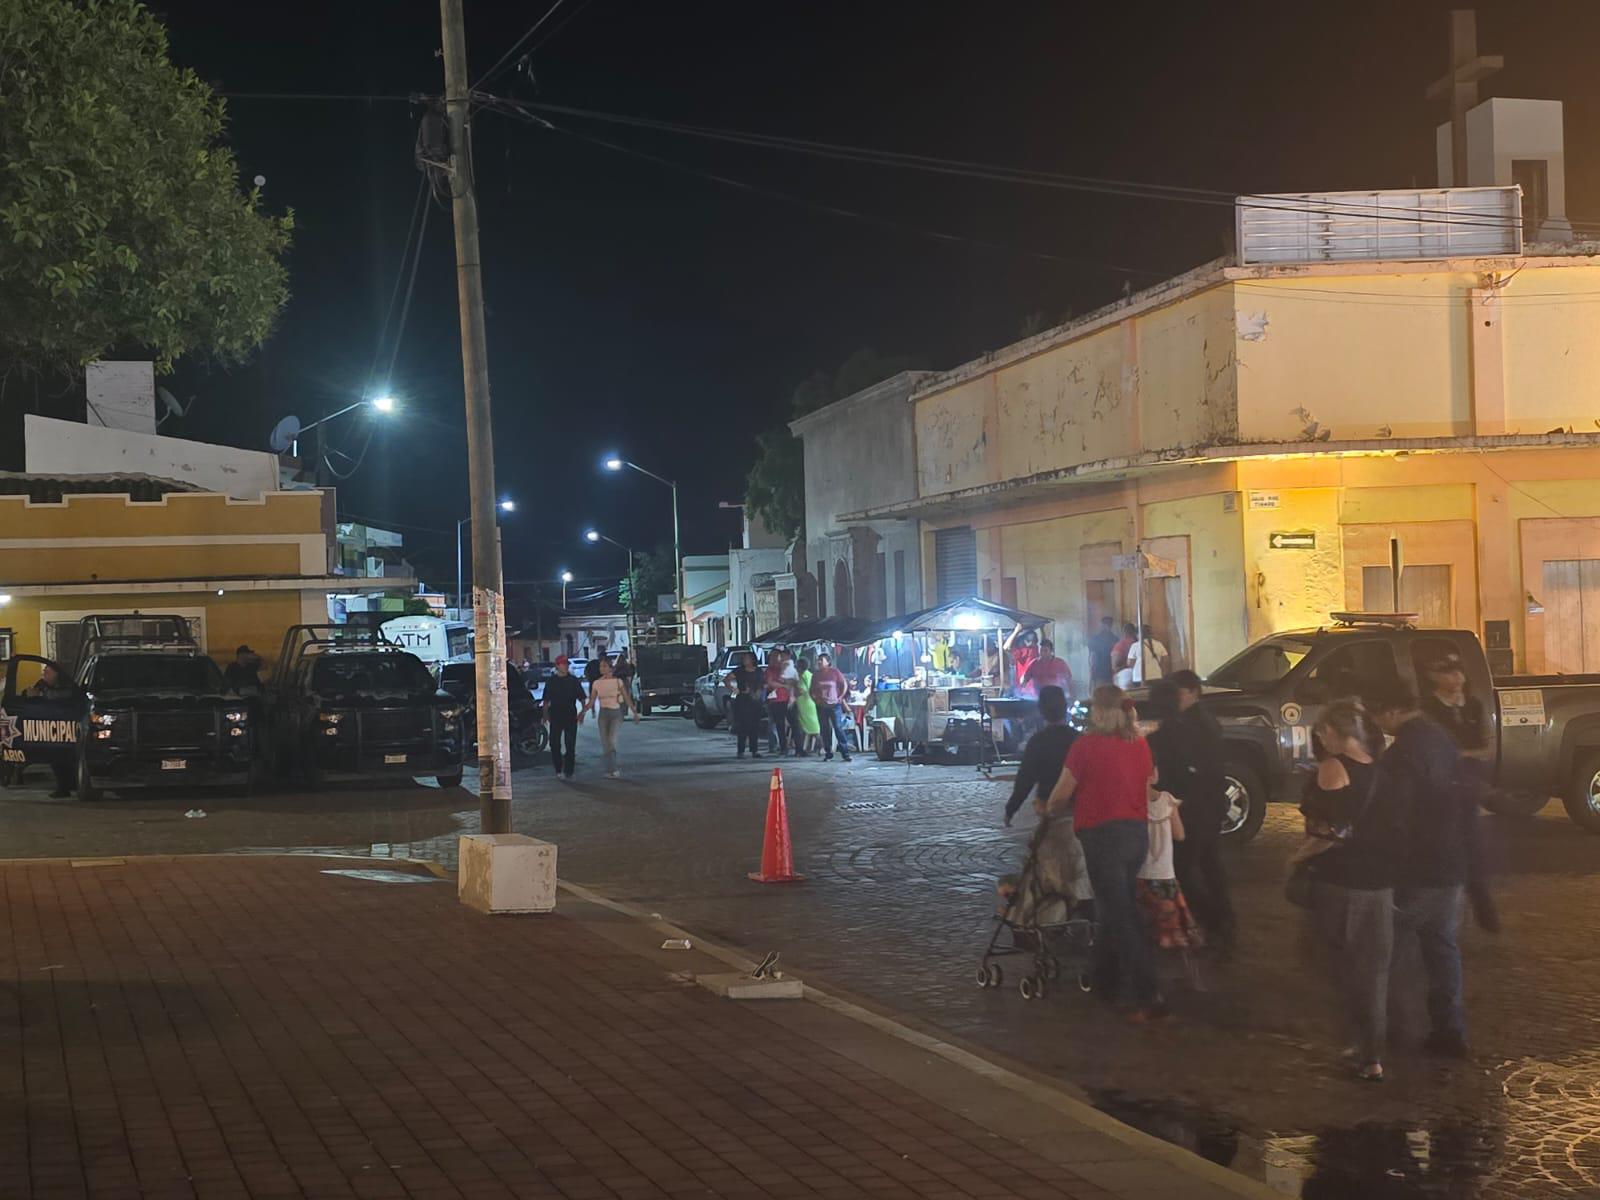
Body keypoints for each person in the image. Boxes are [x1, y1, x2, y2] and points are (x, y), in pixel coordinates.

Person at [1044, 685, 1165, 1021]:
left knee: (1121, 914)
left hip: (1102, 836)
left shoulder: (1085, 746)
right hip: (1135, 833)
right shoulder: (1138, 743)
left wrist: (1050, 809)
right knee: (1114, 907)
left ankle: (1148, 992)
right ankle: (1105, 981)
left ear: (1098, 711)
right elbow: (1148, 781)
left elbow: (1061, 792)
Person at [1369, 681, 1477, 1059]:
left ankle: (1391, 1029)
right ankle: (1450, 1029)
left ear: (1392, 711)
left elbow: (1395, 815)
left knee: (1392, 948)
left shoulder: (1401, 753)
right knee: (1442, 948)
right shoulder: (1441, 739)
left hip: (1418, 867)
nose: (1379, 724)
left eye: (1379, 715)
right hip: (1450, 863)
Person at [1298, 698, 1395, 1082]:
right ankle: (1372, 1055)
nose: (1320, 739)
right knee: (1374, 973)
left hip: (1341, 883)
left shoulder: (1333, 768)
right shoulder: (1382, 773)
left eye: (1322, 732)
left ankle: (1353, 1041)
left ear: (1337, 734)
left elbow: (1328, 832)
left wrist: (1295, 858)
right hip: (1380, 884)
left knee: (1333, 963)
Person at [1155, 670, 1236, 950]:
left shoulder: (1193, 725)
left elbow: (1194, 769)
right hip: (1207, 803)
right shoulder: (1201, 721)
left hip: (1197, 806)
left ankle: (1213, 920)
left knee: (1189, 867)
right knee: (1209, 864)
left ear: (1192, 692)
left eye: (1180, 692)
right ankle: (1223, 919)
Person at [1004, 685, 1077, 826]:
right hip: (1077, 806)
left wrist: (1011, 809)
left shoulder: (1037, 742)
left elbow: (1025, 779)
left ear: (1041, 710)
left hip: (1049, 806)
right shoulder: (1079, 739)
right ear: (1065, 707)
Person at [26, 663, 77, 798]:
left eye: (48, 671)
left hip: (66, 728)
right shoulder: (42, 684)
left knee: (65, 759)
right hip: (48, 728)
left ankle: (68, 785)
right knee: (55, 759)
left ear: (57, 673)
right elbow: (30, 695)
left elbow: (64, 695)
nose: (44, 673)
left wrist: (42, 693)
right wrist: (30, 694)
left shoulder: (67, 685)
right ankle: (63, 786)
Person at [584, 655, 638, 779]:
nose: (601, 668)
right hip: (603, 714)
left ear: (610, 668)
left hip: (615, 713)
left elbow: (626, 697)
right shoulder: (597, 683)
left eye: (604, 666)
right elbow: (592, 701)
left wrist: (634, 712)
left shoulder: (617, 681)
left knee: (612, 741)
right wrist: (583, 712)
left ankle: (614, 769)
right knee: (605, 742)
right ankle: (610, 769)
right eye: (600, 666)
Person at [543, 655, 586, 780]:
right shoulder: (552, 681)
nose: (565, 666)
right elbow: (546, 700)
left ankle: (569, 770)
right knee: (554, 743)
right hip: (556, 715)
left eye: (566, 664)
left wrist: (582, 713)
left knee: (570, 744)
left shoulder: (573, 680)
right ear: (557, 665)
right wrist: (545, 715)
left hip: (570, 715)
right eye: (563, 664)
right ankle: (558, 768)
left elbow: (582, 698)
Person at [811, 655, 854, 762]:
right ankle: (828, 753)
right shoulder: (816, 675)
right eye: (818, 660)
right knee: (825, 729)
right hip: (821, 706)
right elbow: (811, 690)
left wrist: (840, 697)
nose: (819, 662)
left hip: (835, 705)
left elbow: (844, 684)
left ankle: (845, 753)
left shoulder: (834, 672)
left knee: (838, 728)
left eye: (822, 660)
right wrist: (815, 700)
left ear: (828, 662)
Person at [727, 651, 765, 759]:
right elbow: (727, 679)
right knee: (743, 725)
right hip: (743, 700)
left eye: (747, 658)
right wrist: (734, 689)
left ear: (752, 660)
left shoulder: (758, 671)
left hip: (756, 701)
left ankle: (754, 750)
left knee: (755, 725)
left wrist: (759, 691)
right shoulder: (739, 671)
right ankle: (741, 750)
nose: (745, 660)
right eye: (743, 658)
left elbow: (762, 683)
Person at [763, 649, 796, 756]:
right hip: (775, 700)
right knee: (779, 725)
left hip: (788, 699)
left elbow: (792, 682)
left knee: (794, 724)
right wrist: (784, 685)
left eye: (777, 656)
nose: (775, 659)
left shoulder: (787, 668)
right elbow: (770, 683)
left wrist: (789, 691)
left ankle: (798, 748)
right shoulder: (770, 670)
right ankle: (783, 747)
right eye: (772, 657)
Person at [793, 656, 820, 755]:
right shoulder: (809, 674)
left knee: (808, 727)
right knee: (814, 726)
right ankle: (819, 747)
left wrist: (793, 691)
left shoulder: (802, 676)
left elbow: (801, 690)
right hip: (810, 702)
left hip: (804, 703)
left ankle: (819, 746)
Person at [1088, 616, 1120, 689]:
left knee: (1099, 696)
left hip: (1098, 672)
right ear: (1111, 625)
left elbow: (1092, 657)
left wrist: (1091, 671)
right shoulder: (1116, 639)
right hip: (1111, 674)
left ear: (1102, 625)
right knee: (1110, 696)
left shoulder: (1095, 639)